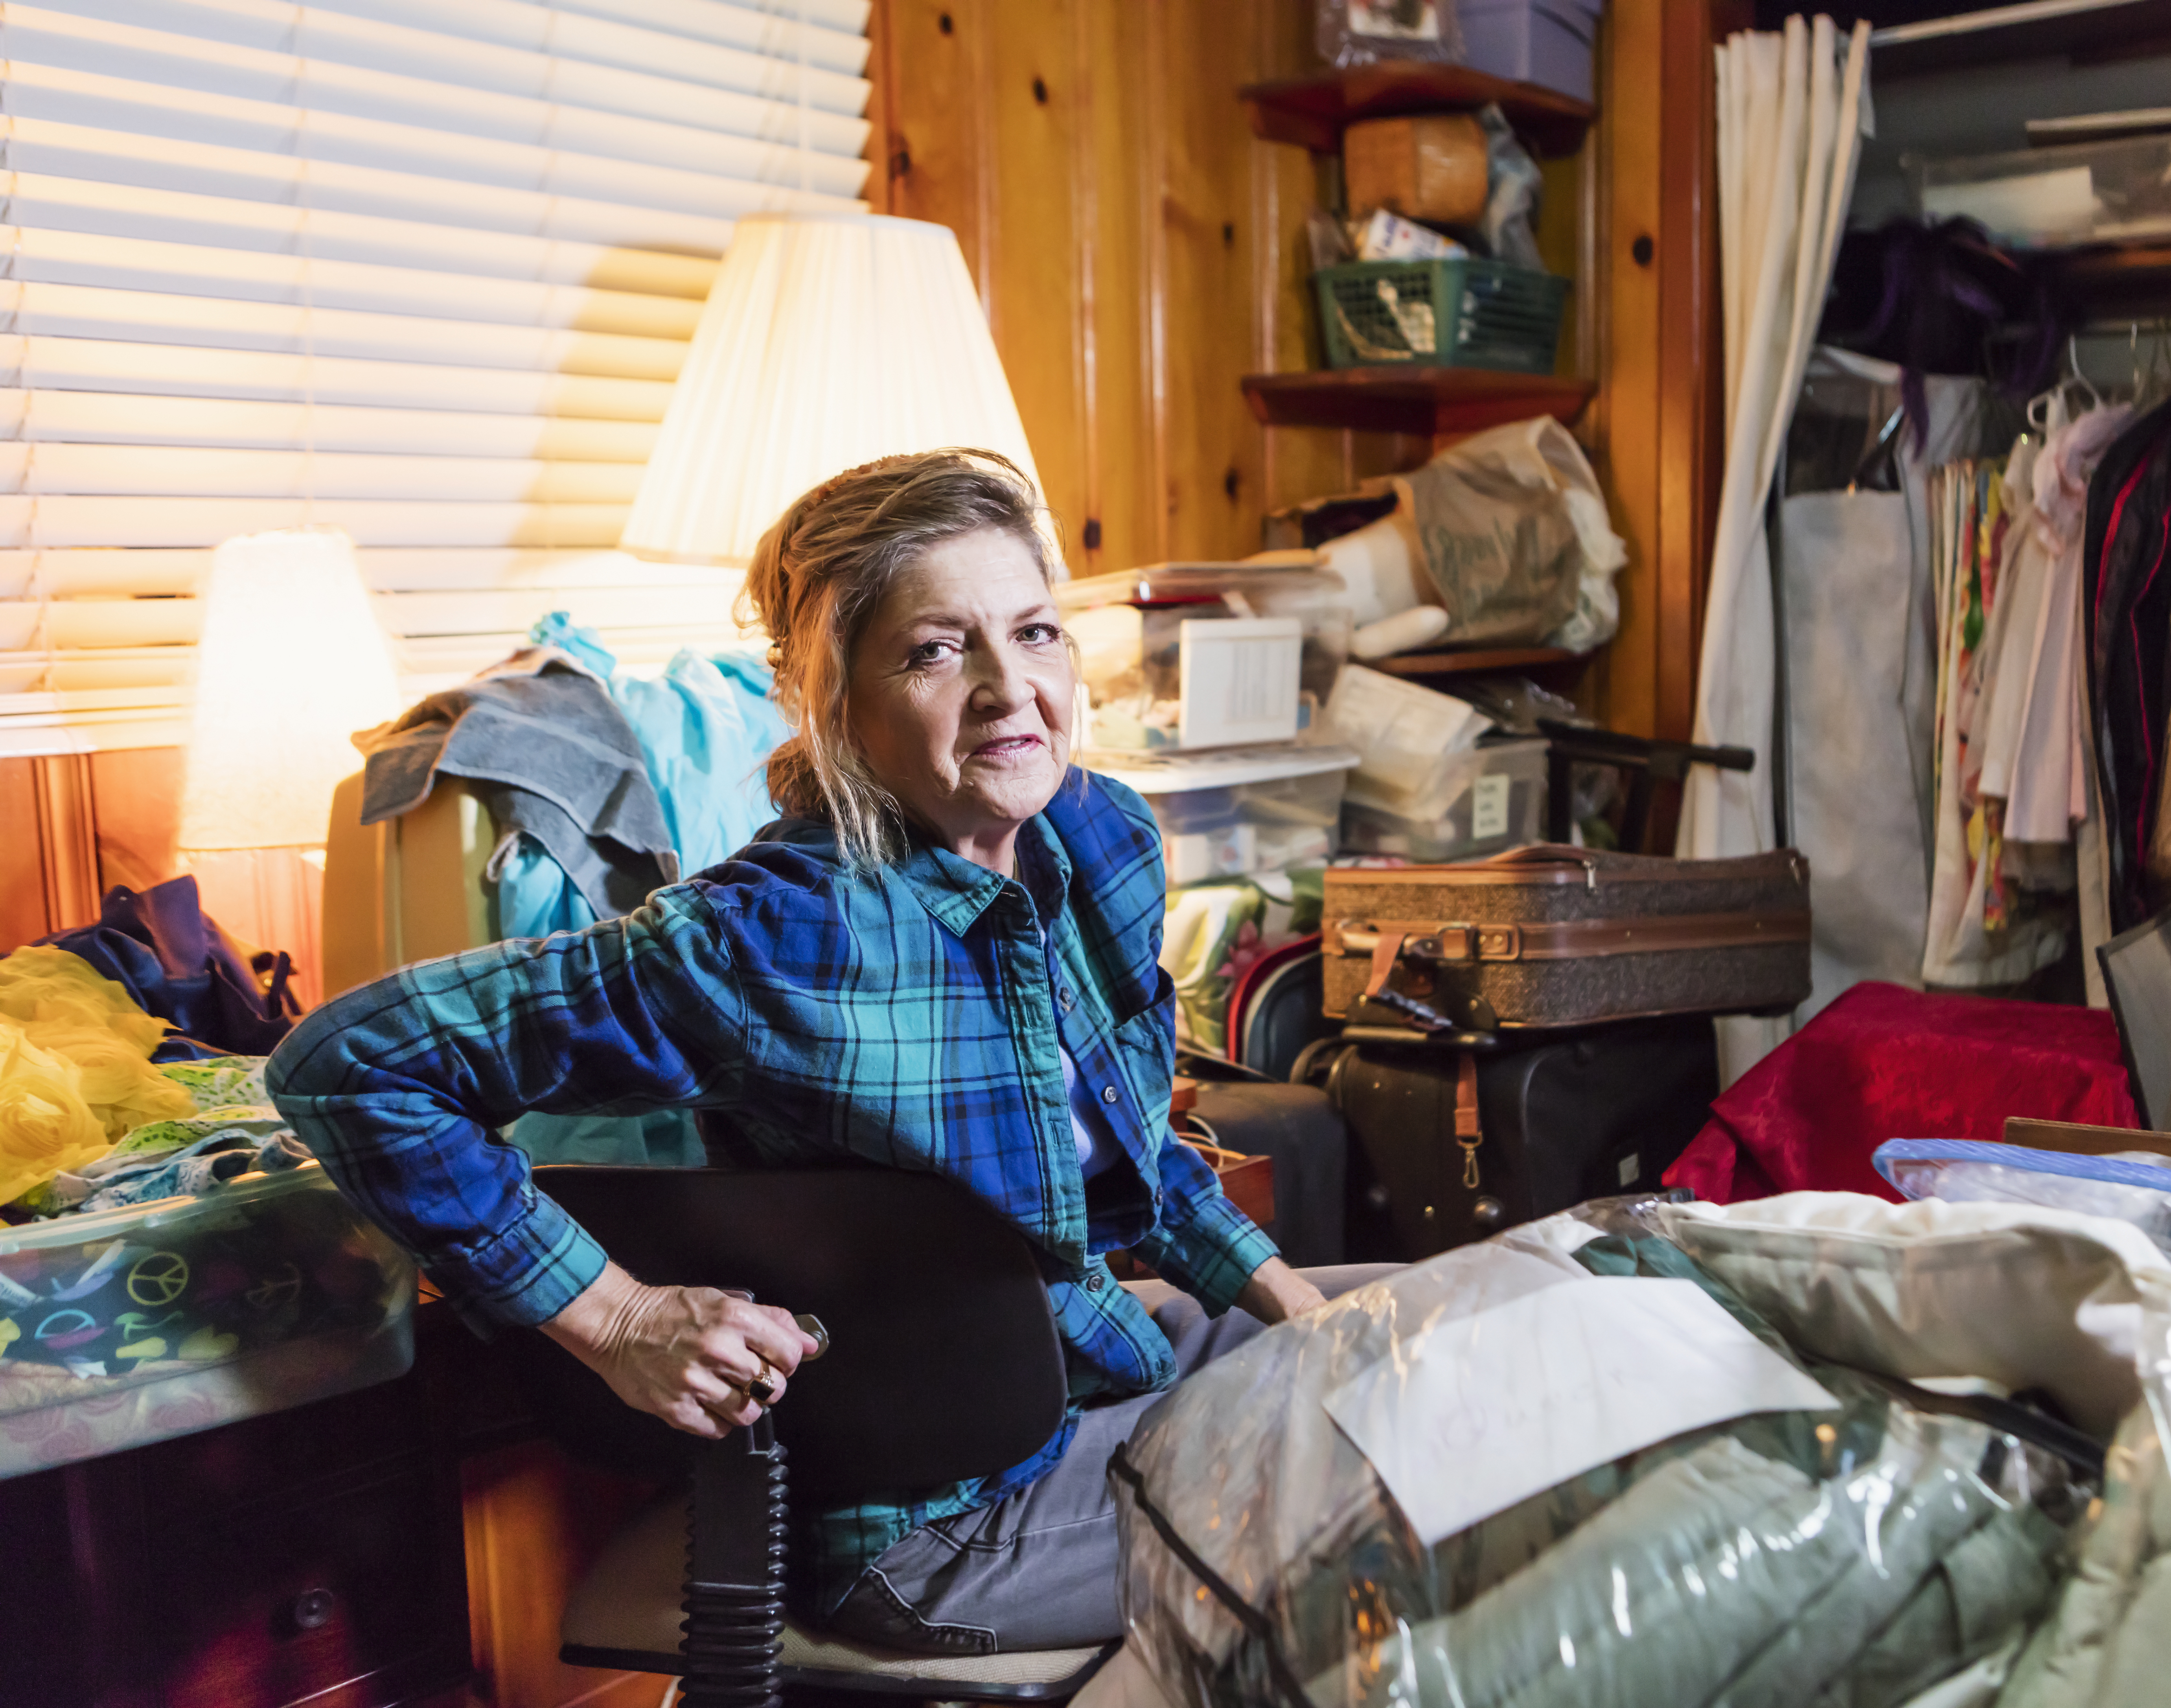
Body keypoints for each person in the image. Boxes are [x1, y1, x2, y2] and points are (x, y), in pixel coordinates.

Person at [269, 449, 1381, 1656]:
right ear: (834, 701)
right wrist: (618, 1320)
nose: (1015, 691)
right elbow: (350, 1062)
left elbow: (1132, 1146)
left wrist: (1291, 1309)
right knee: (1421, 1494)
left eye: (1036, 633)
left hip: (1083, 1355)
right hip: (937, 1517)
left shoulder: (1091, 838)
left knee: (1466, 1341)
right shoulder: (772, 938)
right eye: (936, 650)